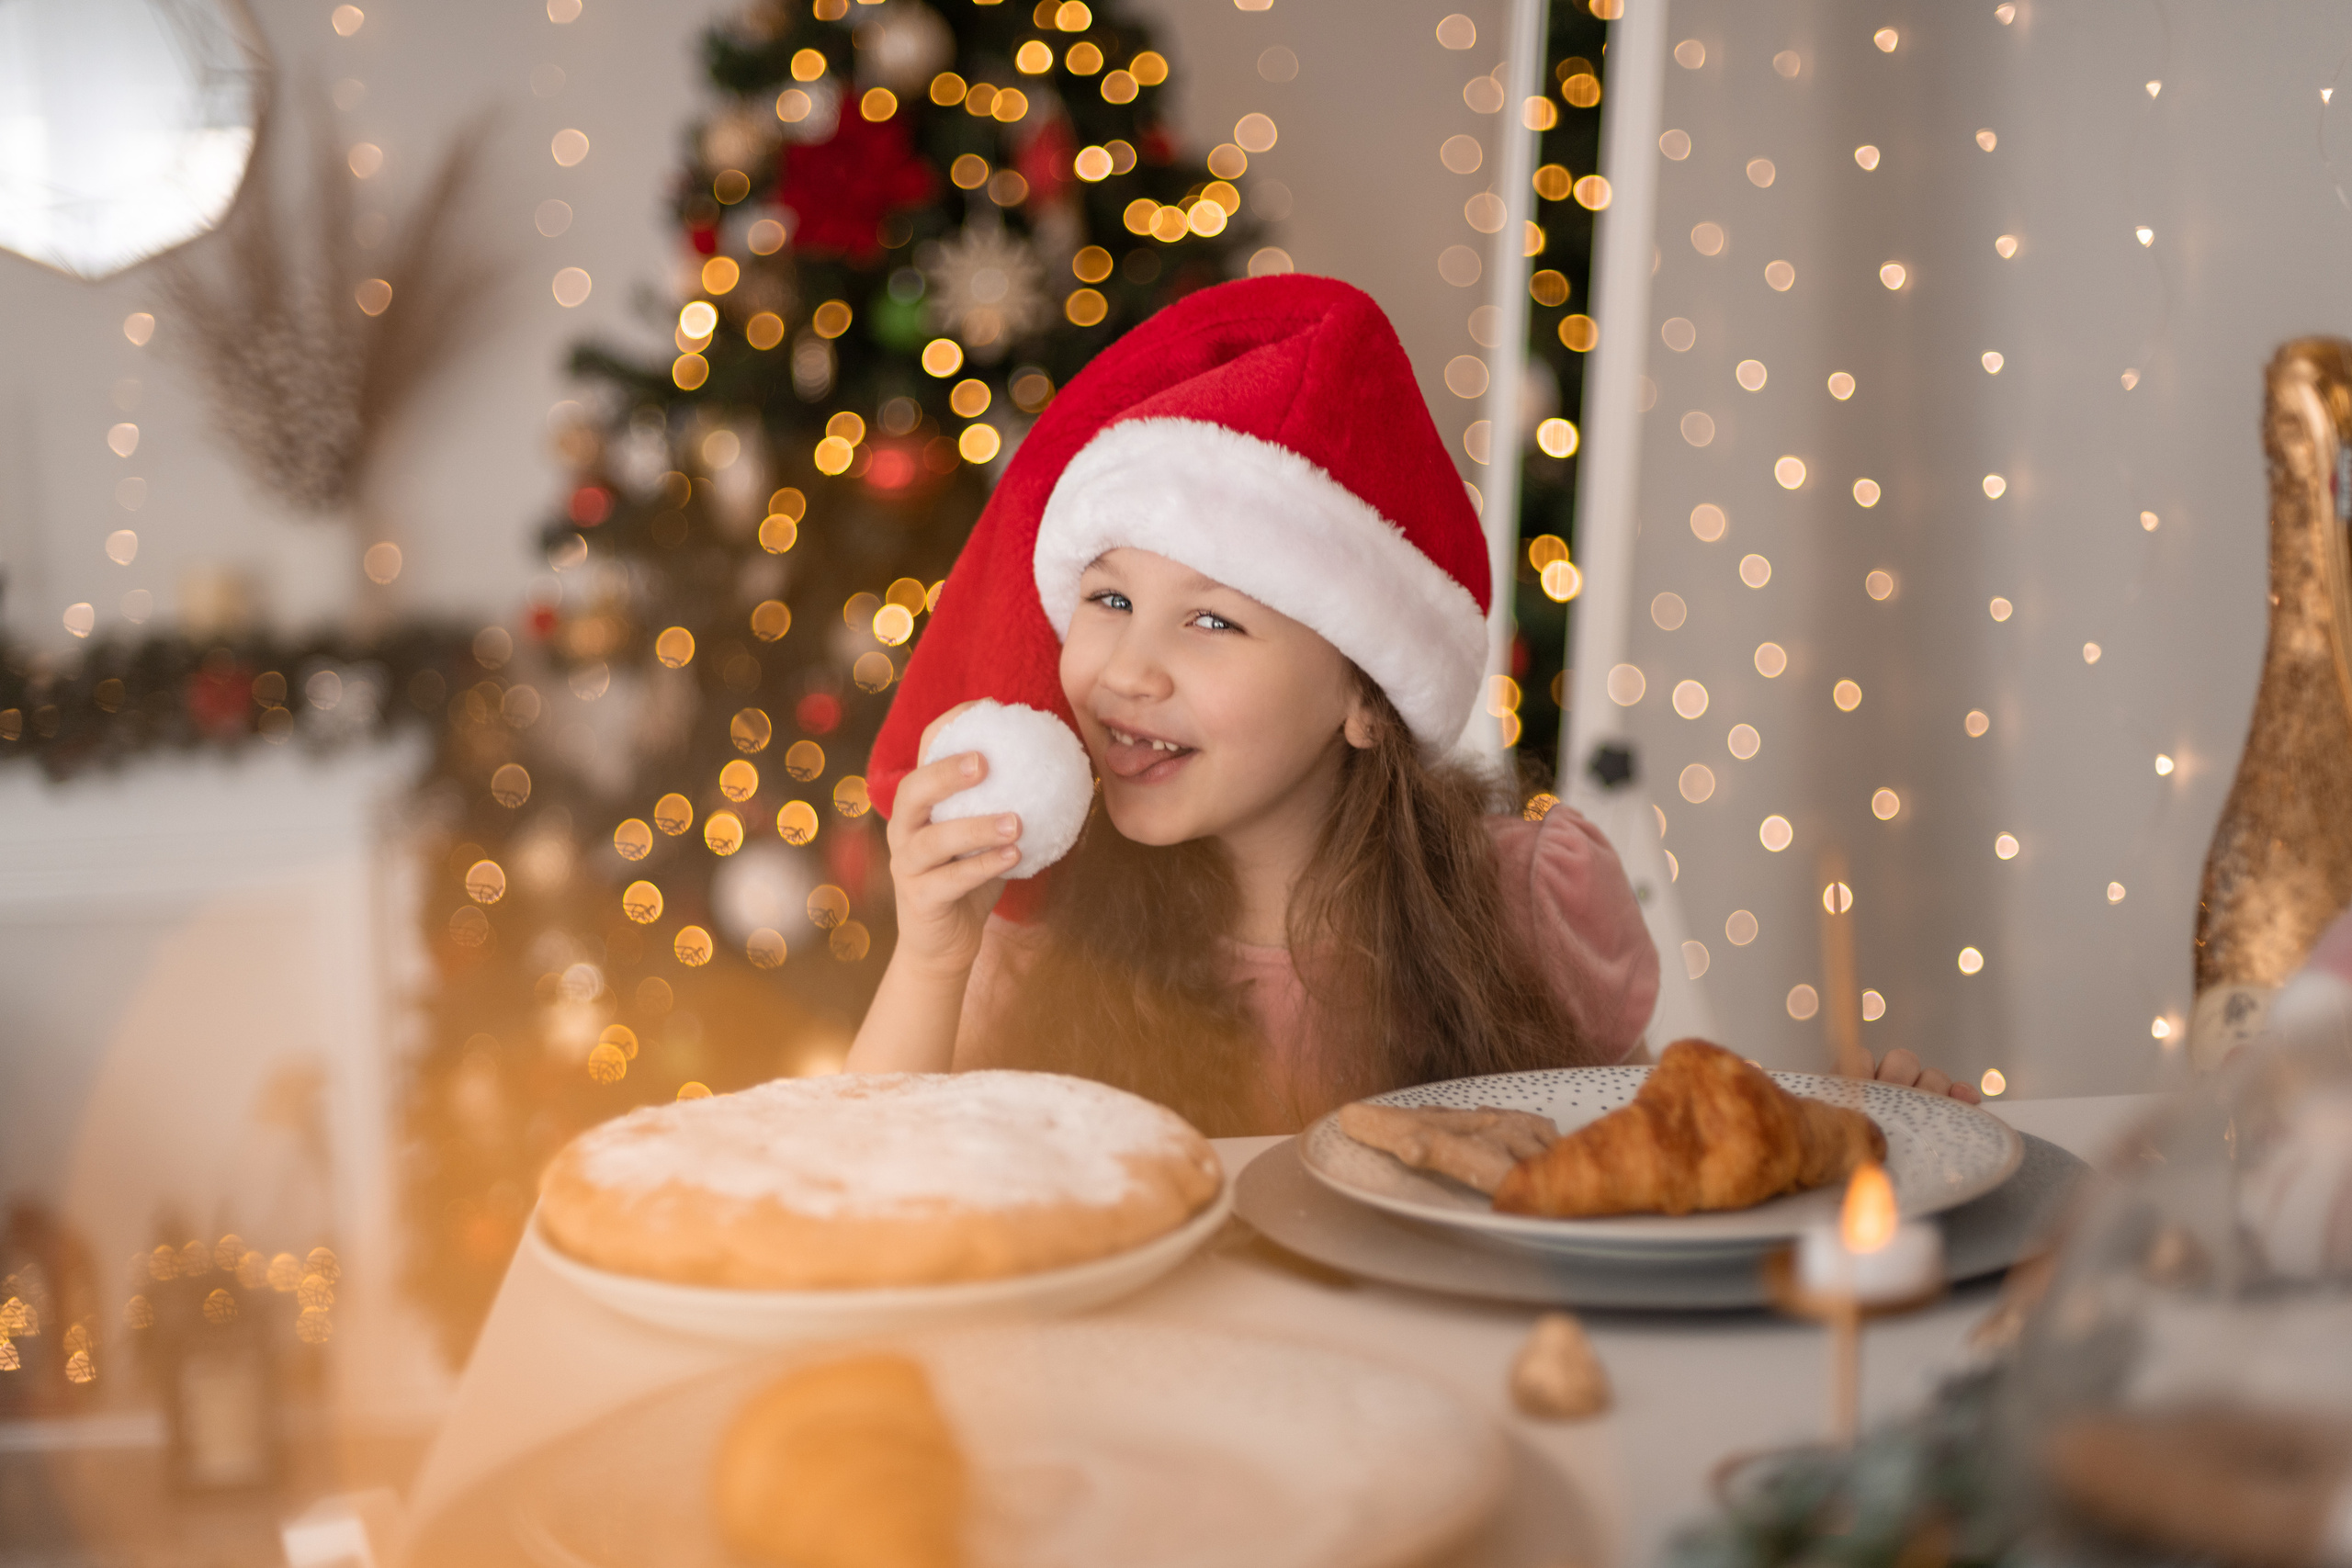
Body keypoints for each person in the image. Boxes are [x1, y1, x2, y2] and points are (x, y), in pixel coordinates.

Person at [849, 275, 1974, 1134]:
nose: (1127, 671)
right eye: (1108, 598)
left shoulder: (1526, 908)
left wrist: (1868, 1139)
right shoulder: (1045, 931)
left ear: (1366, 699)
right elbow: (876, 1191)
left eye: (1210, 621)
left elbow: (1627, 1180)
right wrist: (933, 959)